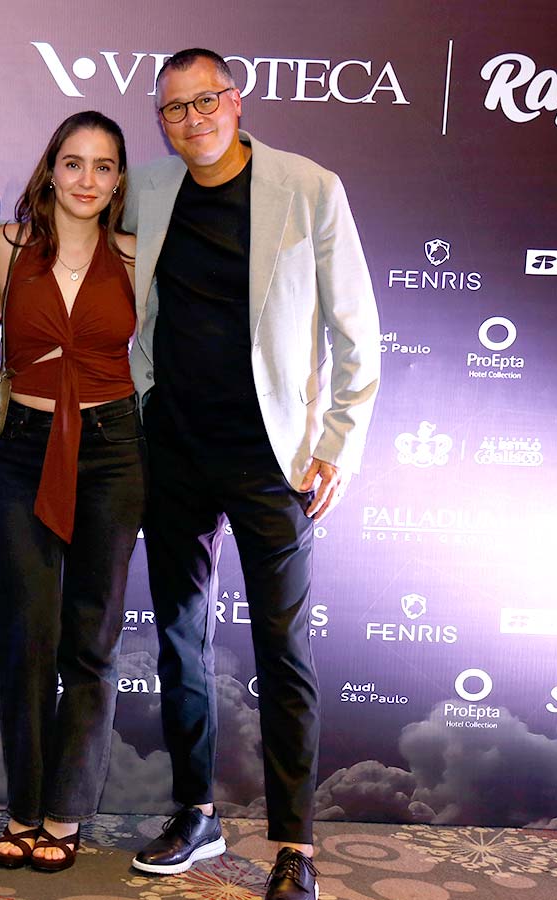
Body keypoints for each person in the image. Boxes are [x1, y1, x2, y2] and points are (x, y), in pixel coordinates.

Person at [125, 49, 381, 900]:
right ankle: (195, 814)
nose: (191, 119)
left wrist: (337, 444)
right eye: (174, 108)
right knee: (179, 639)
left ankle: (295, 845)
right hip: (174, 450)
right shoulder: (149, 188)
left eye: (205, 101)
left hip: (274, 458)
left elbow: (356, 331)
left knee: (283, 648)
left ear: (236, 101)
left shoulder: (309, 187)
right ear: (161, 120)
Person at [0, 111, 142, 873]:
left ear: (119, 179)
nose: (87, 180)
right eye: (73, 163)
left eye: (103, 166)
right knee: (26, 636)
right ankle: (23, 806)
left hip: (113, 450)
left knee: (93, 639)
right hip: (24, 449)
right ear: (50, 170)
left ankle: (66, 811)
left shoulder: (135, 255)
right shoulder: (8, 248)